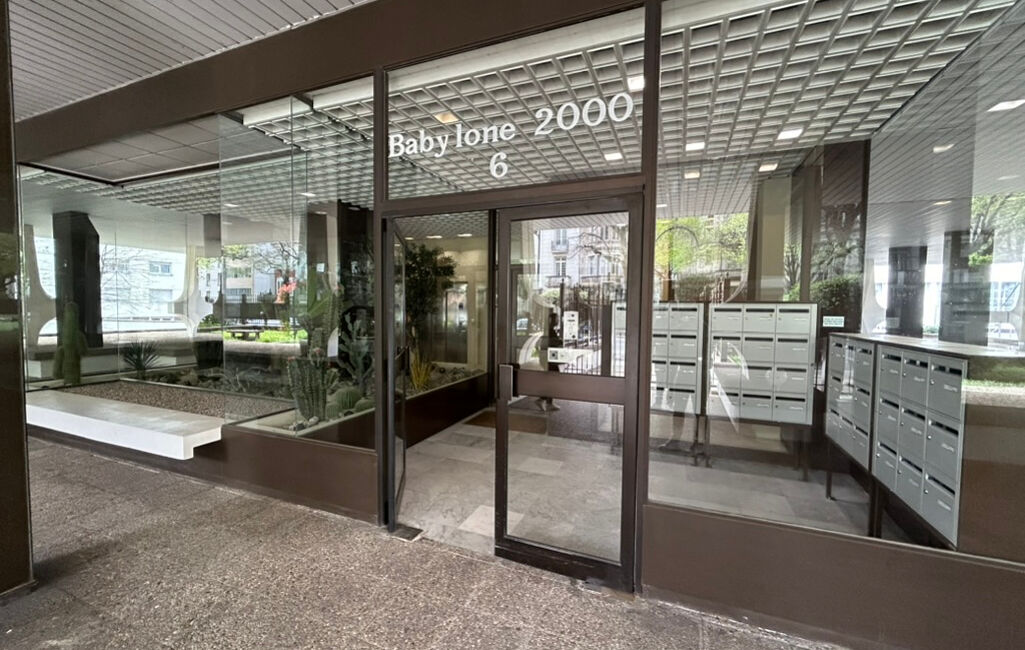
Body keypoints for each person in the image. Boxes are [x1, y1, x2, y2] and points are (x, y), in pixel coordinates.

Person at [537, 310, 562, 412]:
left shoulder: (549, 330)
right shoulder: (550, 331)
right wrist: (559, 341)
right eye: (557, 319)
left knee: (551, 378)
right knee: (554, 378)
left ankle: (546, 401)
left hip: (547, 359)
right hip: (548, 359)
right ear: (552, 320)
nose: (558, 321)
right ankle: (545, 401)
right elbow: (550, 343)